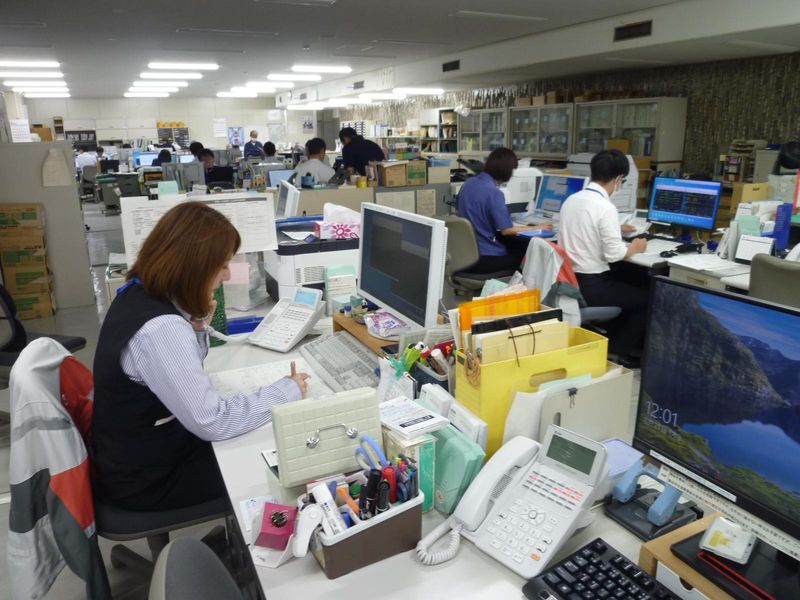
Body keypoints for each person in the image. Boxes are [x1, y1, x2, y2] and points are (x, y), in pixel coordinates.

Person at [92, 202, 309, 511]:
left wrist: (195, 325)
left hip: (132, 456)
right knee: (281, 459)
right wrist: (287, 390)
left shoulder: (137, 292)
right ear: (194, 267)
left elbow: (181, 370)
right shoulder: (163, 329)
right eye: (222, 264)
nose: (226, 274)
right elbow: (213, 422)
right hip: (147, 481)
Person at [558, 149, 648, 367]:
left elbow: (586, 226)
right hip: (591, 286)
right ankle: (619, 351)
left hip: (569, 281)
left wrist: (615, 227)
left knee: (628, 283)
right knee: (647, 299)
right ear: (618, 179)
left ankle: (610, 339)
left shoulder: (572, 200)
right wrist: (635, 247)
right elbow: (614, 254)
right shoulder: (605, 207)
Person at [457, 147, 550, 273]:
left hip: (466, 256)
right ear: (506, 170)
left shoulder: (468, 184)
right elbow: (507, 230)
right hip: (486, 257)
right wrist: (537, 227)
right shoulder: (494, 193)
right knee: (528, 253)